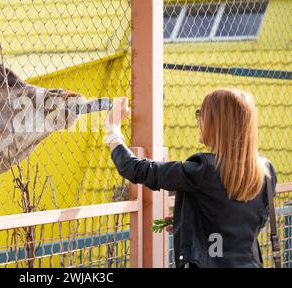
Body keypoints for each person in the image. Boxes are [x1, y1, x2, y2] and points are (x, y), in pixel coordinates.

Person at [105, 88, 276, 268]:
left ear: (216, 123)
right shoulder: (267, 170)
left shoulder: (203, 168)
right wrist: (190, 219)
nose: (199, 121)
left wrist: (113, 129)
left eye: (201, 114)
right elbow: (244, 222)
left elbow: (135, 169)